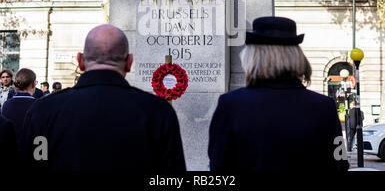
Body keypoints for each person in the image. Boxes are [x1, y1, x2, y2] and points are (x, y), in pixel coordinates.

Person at [20, 24, 186, 172]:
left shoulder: (43, 111)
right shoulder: (157, 111)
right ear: (129, 63)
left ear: (81, 61)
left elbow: (35, 163)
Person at [208, 16, 349, 172]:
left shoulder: (231, 105)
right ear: (297, 55)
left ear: (252, 56)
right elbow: (340, 163)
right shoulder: (324, 107)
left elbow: (218, 166)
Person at [2, 68, 37, 147]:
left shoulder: (7, 104)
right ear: (34, 84)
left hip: (11, 151)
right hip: (32, 151)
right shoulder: (38, 105)